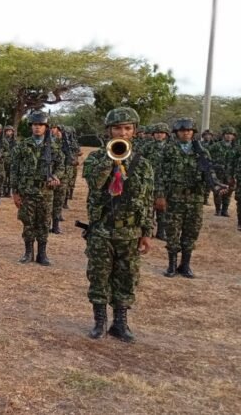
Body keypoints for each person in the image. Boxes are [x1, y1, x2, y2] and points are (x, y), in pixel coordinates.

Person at [81, 107, 153, 343]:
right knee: (99, 276)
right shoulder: (95, 158)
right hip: (102, 229)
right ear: (109, 131)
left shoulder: (143, 164)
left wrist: (146, 231)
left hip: (130, 231)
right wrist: (112, 161)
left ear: (134, 131)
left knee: (127, 277)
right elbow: (95, 183)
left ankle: (120, 323)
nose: (122, 132)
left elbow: (147, 199)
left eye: (127, 128)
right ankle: (99, 322)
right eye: (117, 128)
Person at [155, 118, 226, 278]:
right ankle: (171, 265)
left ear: (193, 132)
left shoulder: (201, 151)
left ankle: (185, 265)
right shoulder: (168, 150)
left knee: (191, 231)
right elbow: (159, 174)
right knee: (173, 232)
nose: (186, 133)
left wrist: (215, 184)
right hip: (174, 198)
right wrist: (159, 195)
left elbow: (209, 171)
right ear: (176, 133)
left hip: (194, 199)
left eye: (189, 130)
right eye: (182, 131)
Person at [10, 111, 64, 265]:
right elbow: (14, 169)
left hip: (45, 192)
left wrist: (56, 176)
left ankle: (42, 254)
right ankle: (28, 253)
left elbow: (61, 166)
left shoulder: (53, 147)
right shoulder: (23, 145)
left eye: (41, 125)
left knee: (44, 223)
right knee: (28, 222)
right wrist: (15, 192)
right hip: (27, 191)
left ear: (46, 127)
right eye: (34, 125)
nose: (37, 128)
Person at [140, 122, 171, 240]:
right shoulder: (147, 146)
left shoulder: (170, 147)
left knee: (163, 208)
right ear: (153, 134)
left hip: (164, 182)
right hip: (149, 181)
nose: (159, 135)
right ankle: (148, 231)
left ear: (166, 134)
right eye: (157, 133)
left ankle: (161, 232)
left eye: (162, 133)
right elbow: (140, 161)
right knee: (148, 207)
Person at [208, 126, 237, 217]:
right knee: (217, 191)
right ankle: (218, 210)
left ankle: (225, 210)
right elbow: (208, 156)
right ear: (223, 135)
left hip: (230, 174)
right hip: (218, 173)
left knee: (228, 191)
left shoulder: (236, 148)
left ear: (233, 136)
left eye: (231, 135)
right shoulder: (216, 146)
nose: (229, 136)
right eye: (227, 134)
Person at [2, 125, 16, 197]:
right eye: (7, 131)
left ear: (12, 132)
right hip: (4, 161)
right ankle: (3, 191)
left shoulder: (15, 141)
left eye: (10, 131)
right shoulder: (2, 140)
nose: (8, 132)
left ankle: (9, 192)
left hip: (12, 161)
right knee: (3, 176)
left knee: (10, 177)